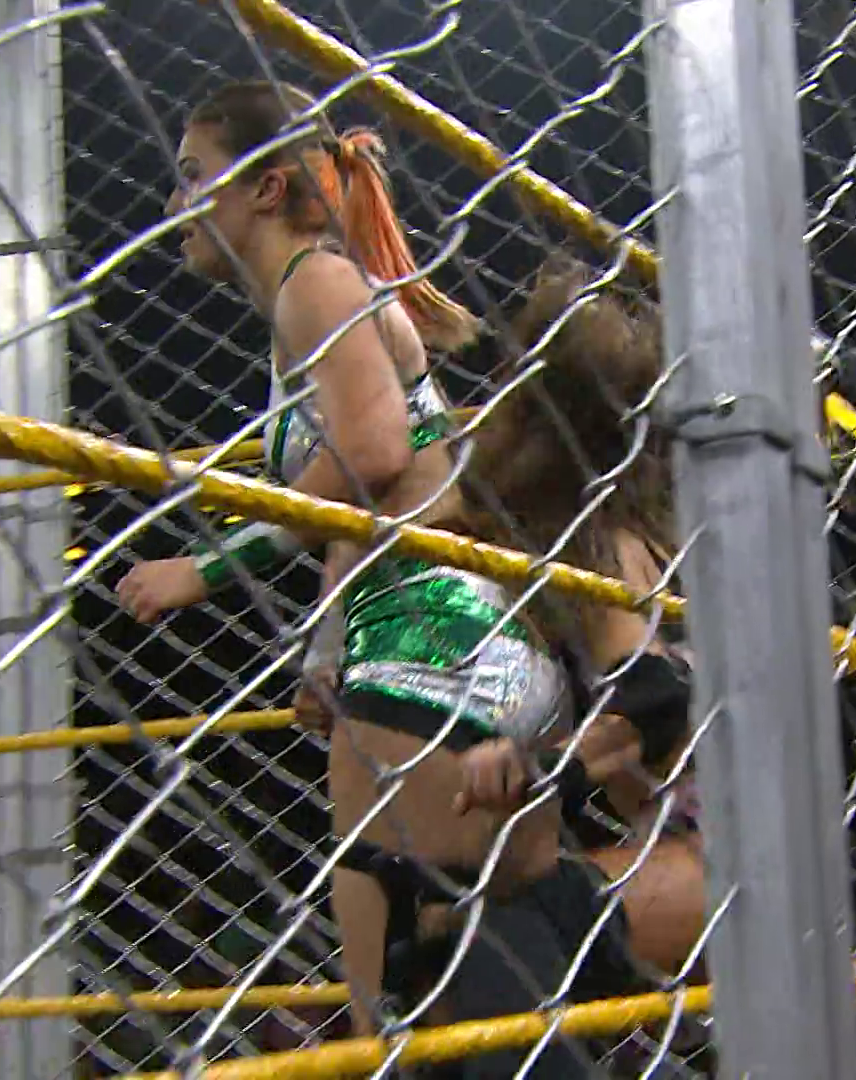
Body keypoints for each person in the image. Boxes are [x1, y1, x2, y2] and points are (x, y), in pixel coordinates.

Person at [112, 80, 598, 1075]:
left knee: (408, 1018)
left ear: (265, 188)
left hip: (429, 646)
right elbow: (377, 500)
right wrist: (324, 650)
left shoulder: (316, 285)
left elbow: (373, 459)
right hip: (440, 639)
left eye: (193, 175)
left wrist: (204, 568)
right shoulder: (315, 294)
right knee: (471, 984)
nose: (174, 204)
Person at [445, 258, 709, 985]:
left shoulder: (605, 546)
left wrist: (545, 767)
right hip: (719, 829)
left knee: (497, 939)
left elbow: (655, 694)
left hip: (727, 849)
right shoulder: (629, 529)